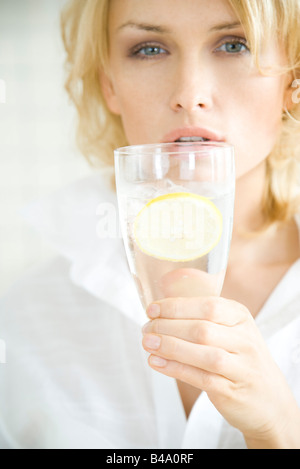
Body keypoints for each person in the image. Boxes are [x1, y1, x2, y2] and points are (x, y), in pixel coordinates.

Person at [0, 0, 300, 449]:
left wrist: (279, 430)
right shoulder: (22, 321)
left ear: (292, 81)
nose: (189, 92)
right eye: (149, 49)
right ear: (109, 84)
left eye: (234, 44)